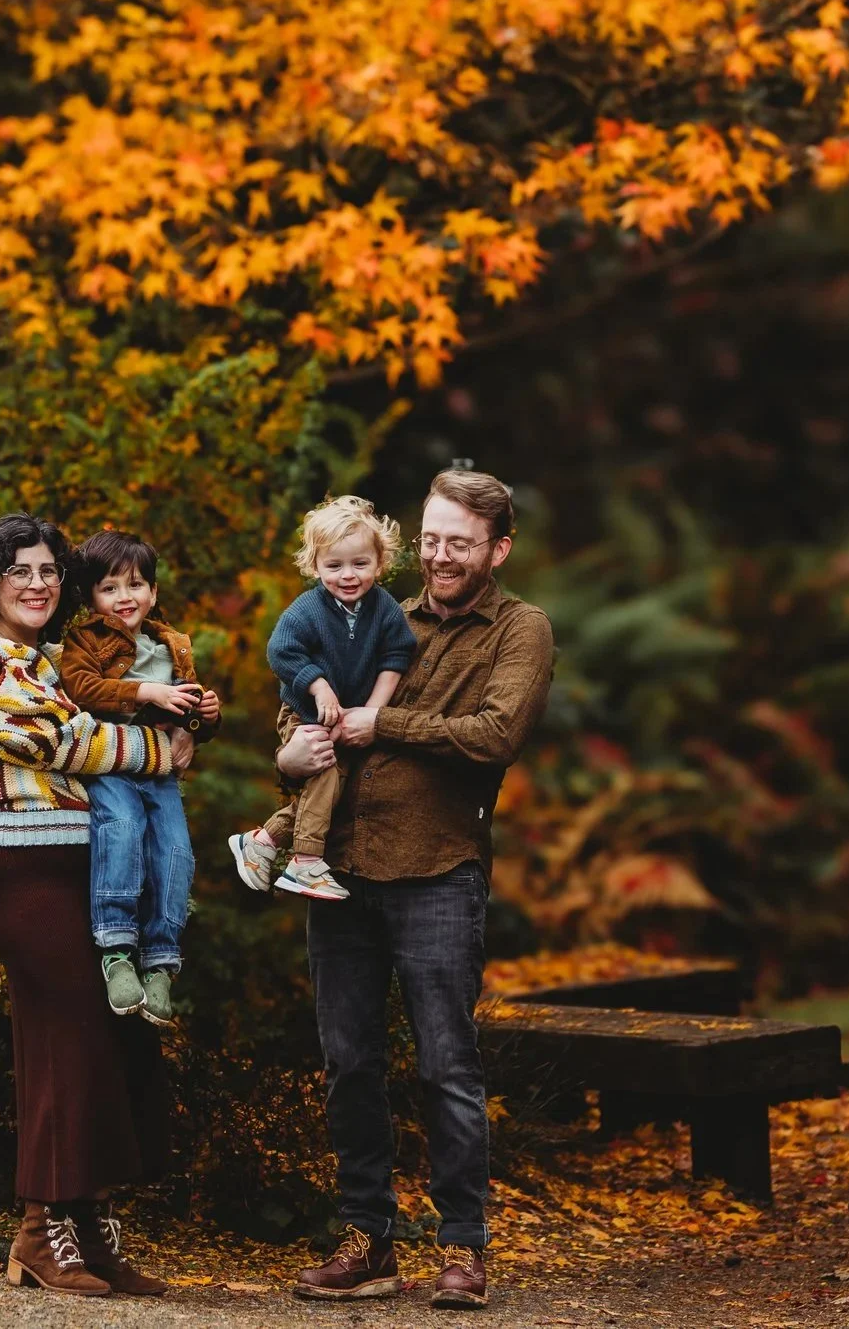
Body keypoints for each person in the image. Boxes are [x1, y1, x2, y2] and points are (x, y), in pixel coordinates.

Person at [274, 470, 554, 1312]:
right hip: (342, 869)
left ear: (497, 549)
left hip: (439, 871)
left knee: (447, 1066)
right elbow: (300, 703)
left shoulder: (520, 629)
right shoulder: (376, 610)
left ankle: (462, 1247)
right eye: (431, 539)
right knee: (348, 1062)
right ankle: (367, 1238)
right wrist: (288, 750)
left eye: (457, 543)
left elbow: (495, 734)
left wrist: (382, 722)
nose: (438, 556)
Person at [0, 512, 194, 1299]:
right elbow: (58, 741)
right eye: (20, 570)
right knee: (65, 1033)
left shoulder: (59, 658)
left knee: (108, 1040)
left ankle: (88, 1229)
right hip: (22, 864)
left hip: (83, 864)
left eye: (51, 570)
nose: (38, 583)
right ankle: (37, 1230)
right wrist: (160, 748)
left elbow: (96, 719)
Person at [57, 529, 220, 1027]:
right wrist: (146, 692)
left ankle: (162, 961)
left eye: (135, 585)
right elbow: (79, 687)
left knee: (175, 851)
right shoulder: (84, 639)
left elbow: (187, 711)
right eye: (110, 588)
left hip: (162, 773)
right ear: (90, 597)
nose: (124, 598)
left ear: (153, 591)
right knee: (122, 830)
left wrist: (206, 717)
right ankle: (116, 948)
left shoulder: (172, 642)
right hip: (112, 764)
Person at [230, 496, 417, 902]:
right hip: (305, 709)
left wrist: (374, 711)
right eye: (334, 566)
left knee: (336, 786)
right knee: (327, 771)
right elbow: (281, 652)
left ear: (380, 563)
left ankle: (264, 840)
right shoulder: (308, 610)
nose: (348, 575)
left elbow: (397, 655)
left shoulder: (384, 609)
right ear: (315, 566)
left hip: (352, 713)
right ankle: (305, 862)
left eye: (360, 564)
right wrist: (319, 686)